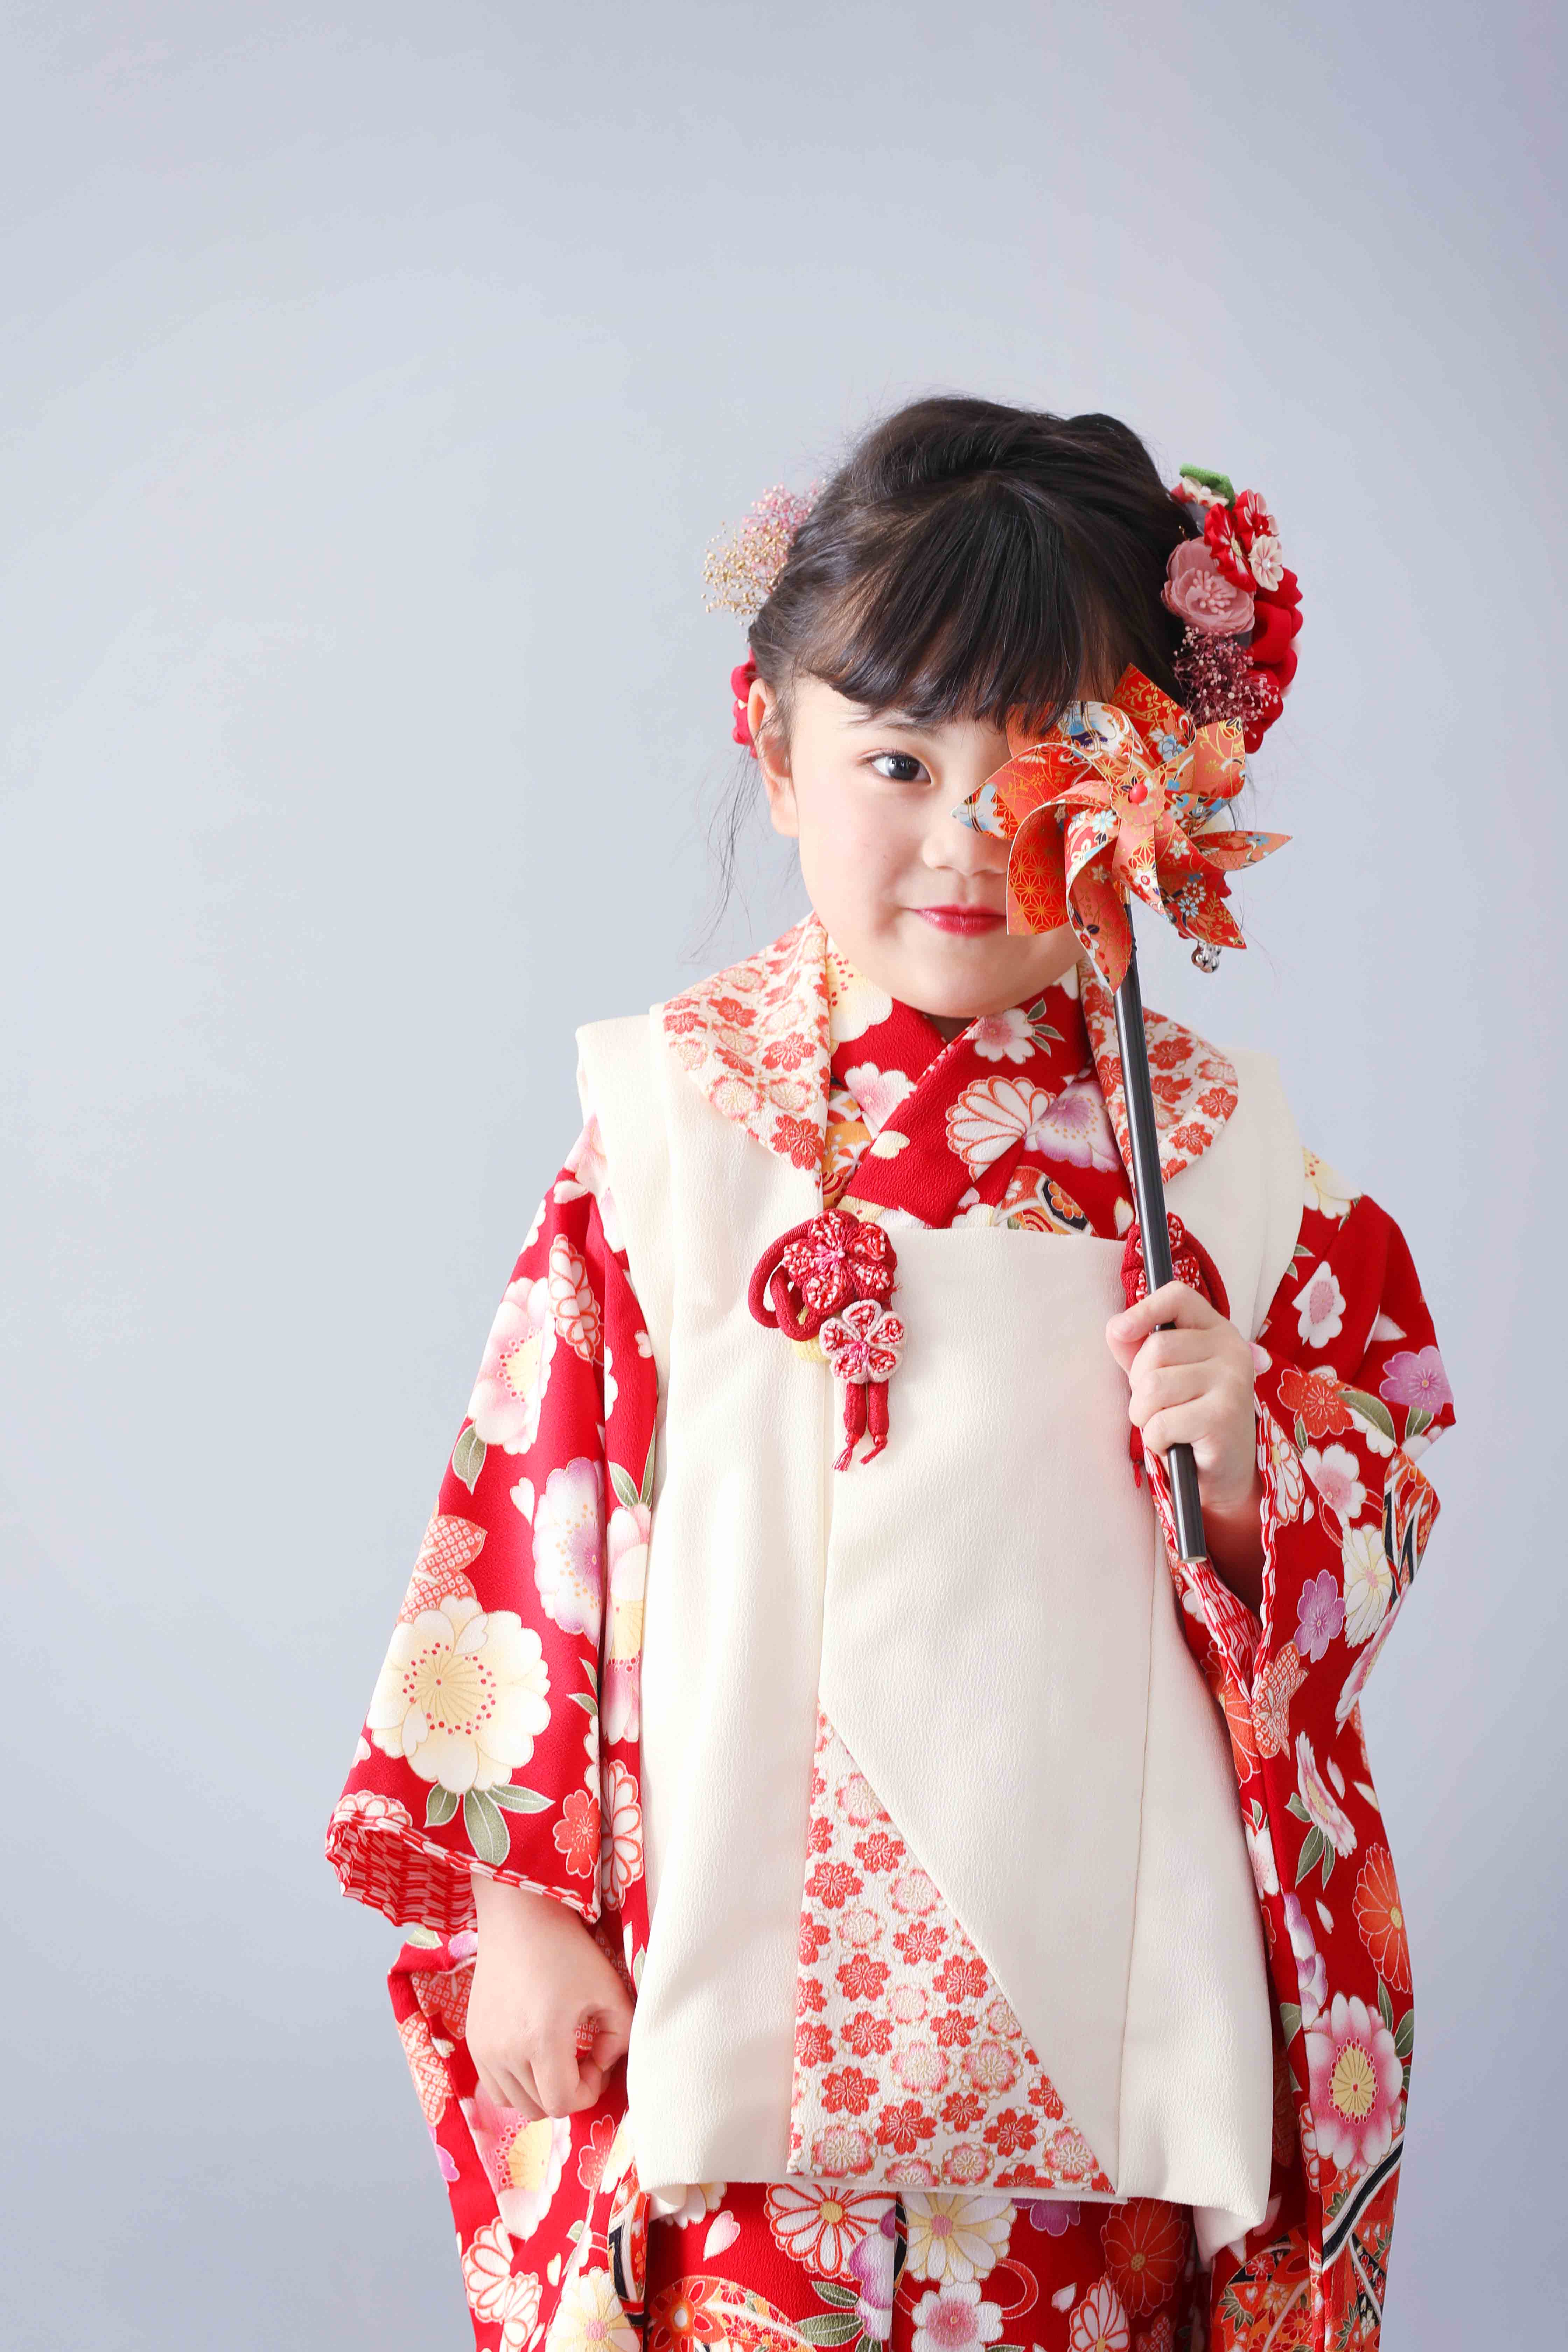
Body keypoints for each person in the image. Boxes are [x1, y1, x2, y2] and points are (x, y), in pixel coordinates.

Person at [327, 398, 1454, 2352]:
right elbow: (528, 1513)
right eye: (900, 759)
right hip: (722, 1970)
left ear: (1152, 786)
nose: (964, 836)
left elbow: (1382, 1456)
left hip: (1086, 1995)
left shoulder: (1220, 1161)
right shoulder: (676, 1130)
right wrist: (522, 1905)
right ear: (776, 752)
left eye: (1040, 764)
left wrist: (1256, 1473)